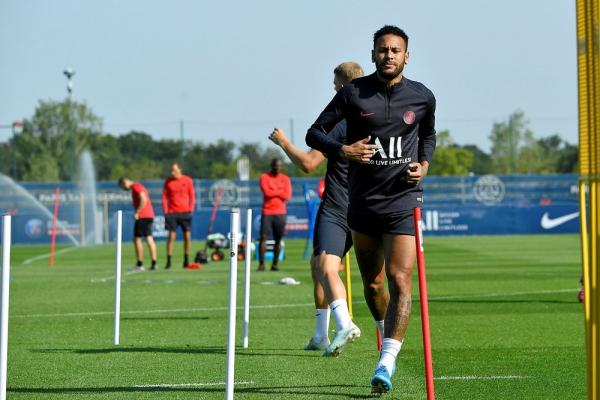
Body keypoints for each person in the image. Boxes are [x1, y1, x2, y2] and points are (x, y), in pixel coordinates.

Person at [306, 25, 437, 394]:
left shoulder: (423, 97)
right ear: (373, 54)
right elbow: (314, 133)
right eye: (382, 50)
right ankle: (382, 331)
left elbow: (428, 135)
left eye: (396, 50)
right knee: (374, 283)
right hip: (361, 204)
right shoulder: (353, 94)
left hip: (403, 201)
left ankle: (387, 360)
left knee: (400, 280)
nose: (389, 55)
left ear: (406, 55)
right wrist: (343, 150)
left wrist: (424, 165)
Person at [269, 61, 389, 354]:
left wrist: (284, 143)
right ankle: (322, 335)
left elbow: (309, 163)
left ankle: (346, 324)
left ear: (346, 87)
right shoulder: (381, 119)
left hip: (339, 207)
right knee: (321, 266)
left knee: (328, 268)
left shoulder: (338, 123)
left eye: (336, 86)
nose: (333, 91)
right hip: (369, 207)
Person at [258, 158, 291, 271]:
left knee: (278, 239)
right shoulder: (264, 177)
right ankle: (261, 264)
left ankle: (275, 264)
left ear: (281, 167)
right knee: (263, 238)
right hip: (267, 212)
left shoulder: (286, 179)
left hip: (280, 213)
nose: (277, 168)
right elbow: (266, 192)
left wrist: (274, 191)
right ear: (271, 166)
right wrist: (279, 192)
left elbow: (287, 196)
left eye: (279, 166)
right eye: (275, 166)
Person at [118, 177, 158, 271]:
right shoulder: (138, 186)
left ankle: (140, 264)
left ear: (125, 182)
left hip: (143, 216)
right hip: (149, 215)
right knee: (149, 238)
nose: (124, 189)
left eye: (123, 187)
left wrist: (138, 212)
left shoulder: (136, 187)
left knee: (137, 239)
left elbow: (143, 199)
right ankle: (154, 263)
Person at [162, 163, 195, 269]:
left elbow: (192, 196)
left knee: (187, 237)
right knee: (171, 236)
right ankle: (169, 261)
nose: (172, 173)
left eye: (174, 170)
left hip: (185, 213)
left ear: (180, 169)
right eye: (171, 171)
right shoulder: (168, 181)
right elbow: (164, 197)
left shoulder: (188, 180)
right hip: (172, 213)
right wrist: (166, 211)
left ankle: (186, 260)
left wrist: (191, 209)